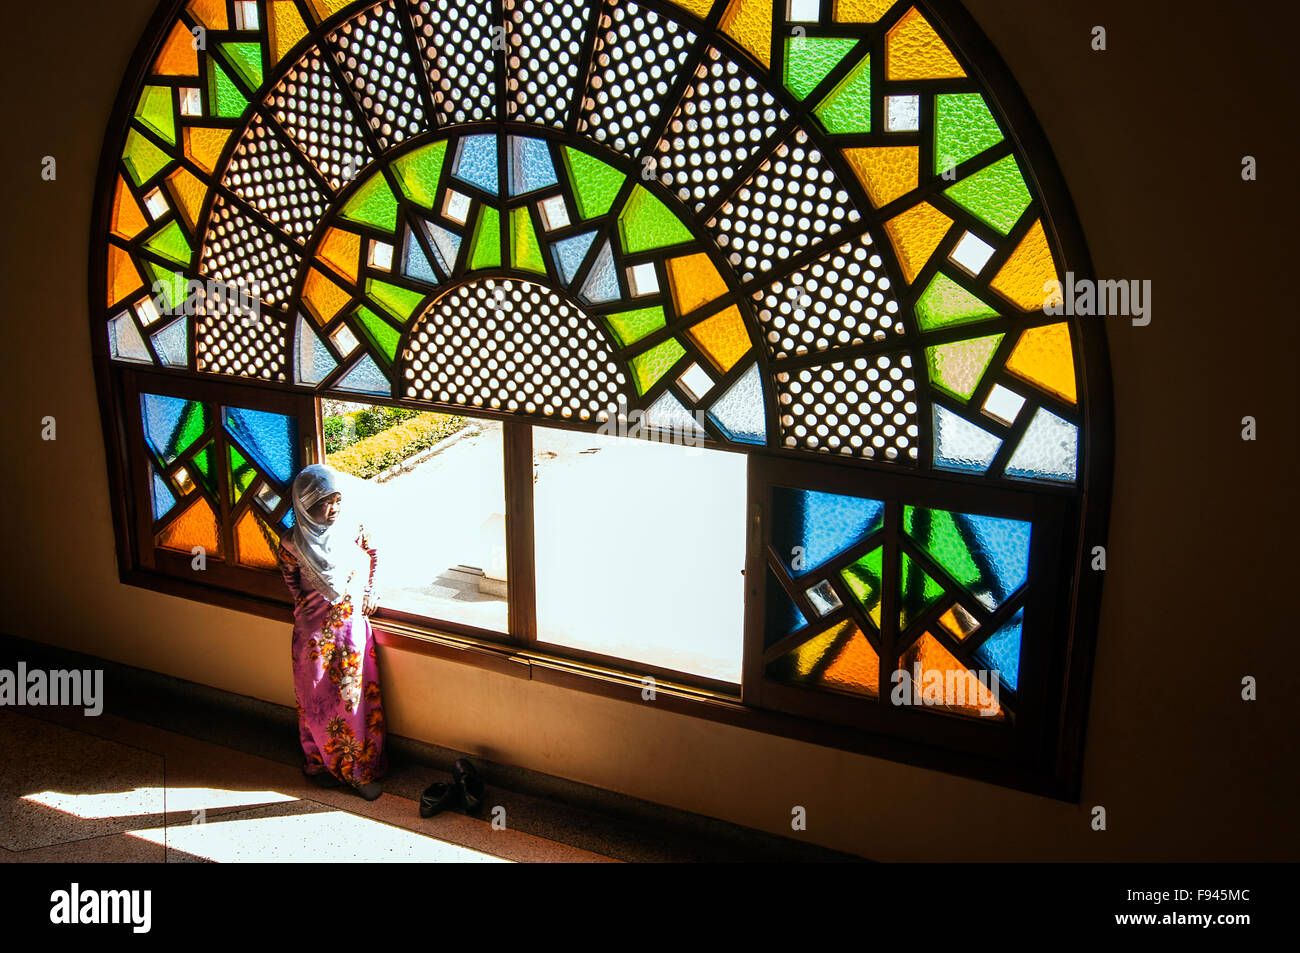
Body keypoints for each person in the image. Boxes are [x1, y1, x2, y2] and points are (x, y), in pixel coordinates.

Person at [277, 463, 387, 800]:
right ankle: (319, 764)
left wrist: (369, 593)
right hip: (312, 637)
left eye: (337, 500)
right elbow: (293, 588)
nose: (334, 509)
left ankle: (358, 770)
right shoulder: (292, 545)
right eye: (325, 503)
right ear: (305, 506)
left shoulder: (353, 529)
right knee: (315, 701)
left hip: (351, 632)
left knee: (354, 701)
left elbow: (373, 555)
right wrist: (315, 619)